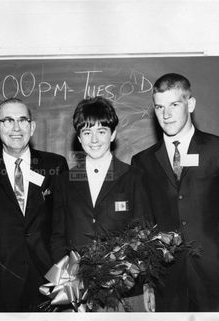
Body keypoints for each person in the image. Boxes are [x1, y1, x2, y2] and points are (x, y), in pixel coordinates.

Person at [131, 73, 219, 312]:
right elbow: (144, 227)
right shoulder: (142, 162)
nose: (165, 115)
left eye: (174, 105)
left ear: (190, 104)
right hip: (170, 285)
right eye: (159, 107)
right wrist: (148, 283)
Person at [50, 96, 155, 312]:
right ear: (79, 138)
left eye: (101, 131)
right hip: (77, 292)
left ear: (113, 134)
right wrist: (70, 289)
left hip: (125, 292)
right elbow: (57, 237)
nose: (94, 139)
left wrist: (142, 283)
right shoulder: (64, 181)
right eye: (87, 132)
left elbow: (143, 235)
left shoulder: (133, 177)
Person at [0, 98, 68, 312]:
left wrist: (66, 284)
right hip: (0, 286)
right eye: (7, 121)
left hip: (50, 283)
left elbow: (63, 228)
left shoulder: (55, 166)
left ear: (32, 127)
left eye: (23, 120)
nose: (16, 128)